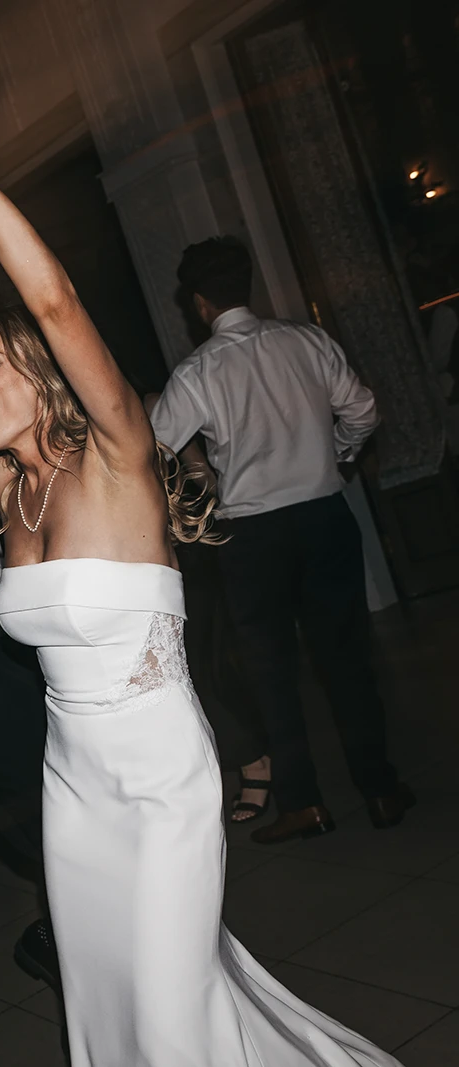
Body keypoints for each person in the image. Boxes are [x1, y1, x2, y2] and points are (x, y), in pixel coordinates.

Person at [0, 39, 402, 1065]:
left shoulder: (120, 457)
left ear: (40, 376)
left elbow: (50, 302)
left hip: (158, 771)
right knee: (110, 996)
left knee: (172, 1002)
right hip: (72, 776)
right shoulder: (5, 488)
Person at [151, 236, 410, 844]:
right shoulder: (307, 341)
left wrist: (200, 479)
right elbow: (364, 411)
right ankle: (380, 790)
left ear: (199, 303)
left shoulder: (198, 372)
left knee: (272, 672)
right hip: (323, 516)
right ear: (247, 287)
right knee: (347, 660)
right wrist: (339, 456)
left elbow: (152, 446)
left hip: (252, 536)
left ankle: (304, 804)